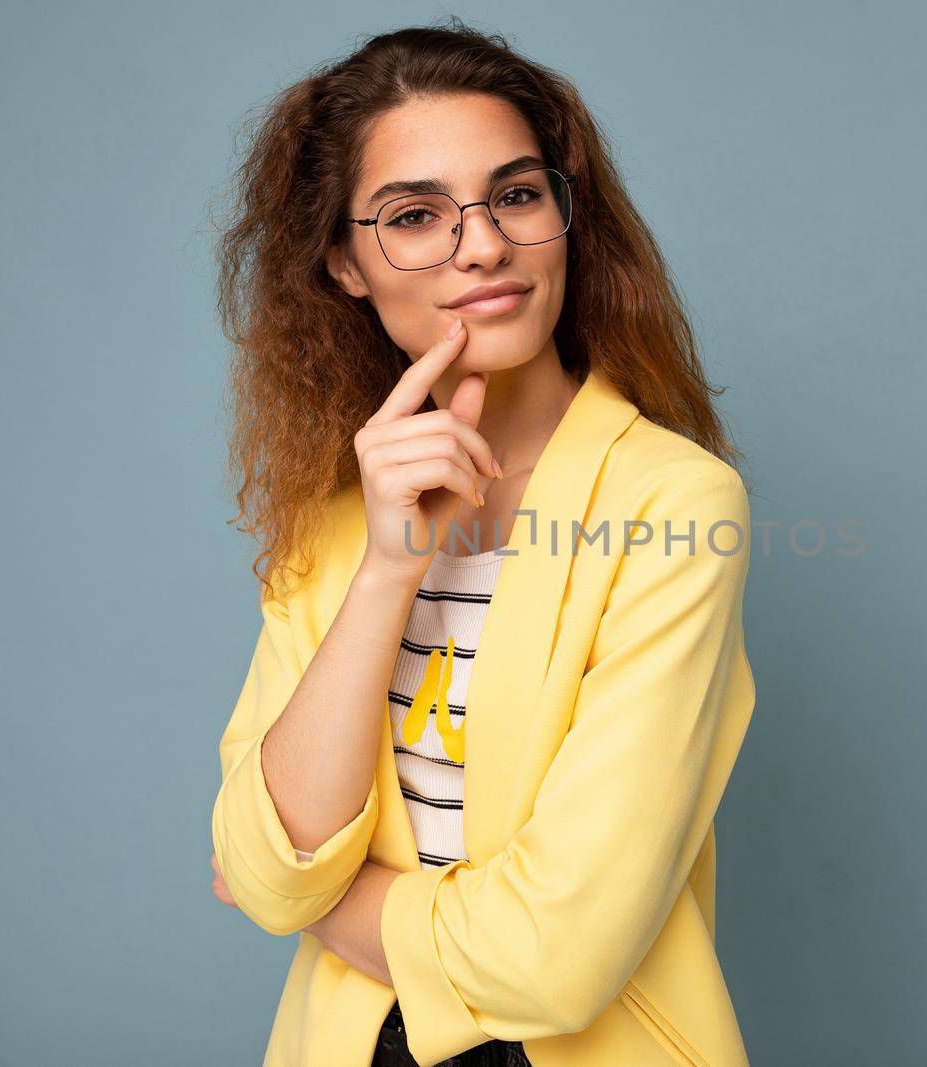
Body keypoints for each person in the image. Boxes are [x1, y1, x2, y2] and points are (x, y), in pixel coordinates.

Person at [207, 19, 757, 1067]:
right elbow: (267, 858)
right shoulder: (335, 520)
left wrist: (324, 910)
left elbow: (553, 957)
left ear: (564, 217)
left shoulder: (675, 504)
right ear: (344, 264)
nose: (481, 245)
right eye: (414, 214)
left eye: (515, 194)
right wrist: (388, 568)